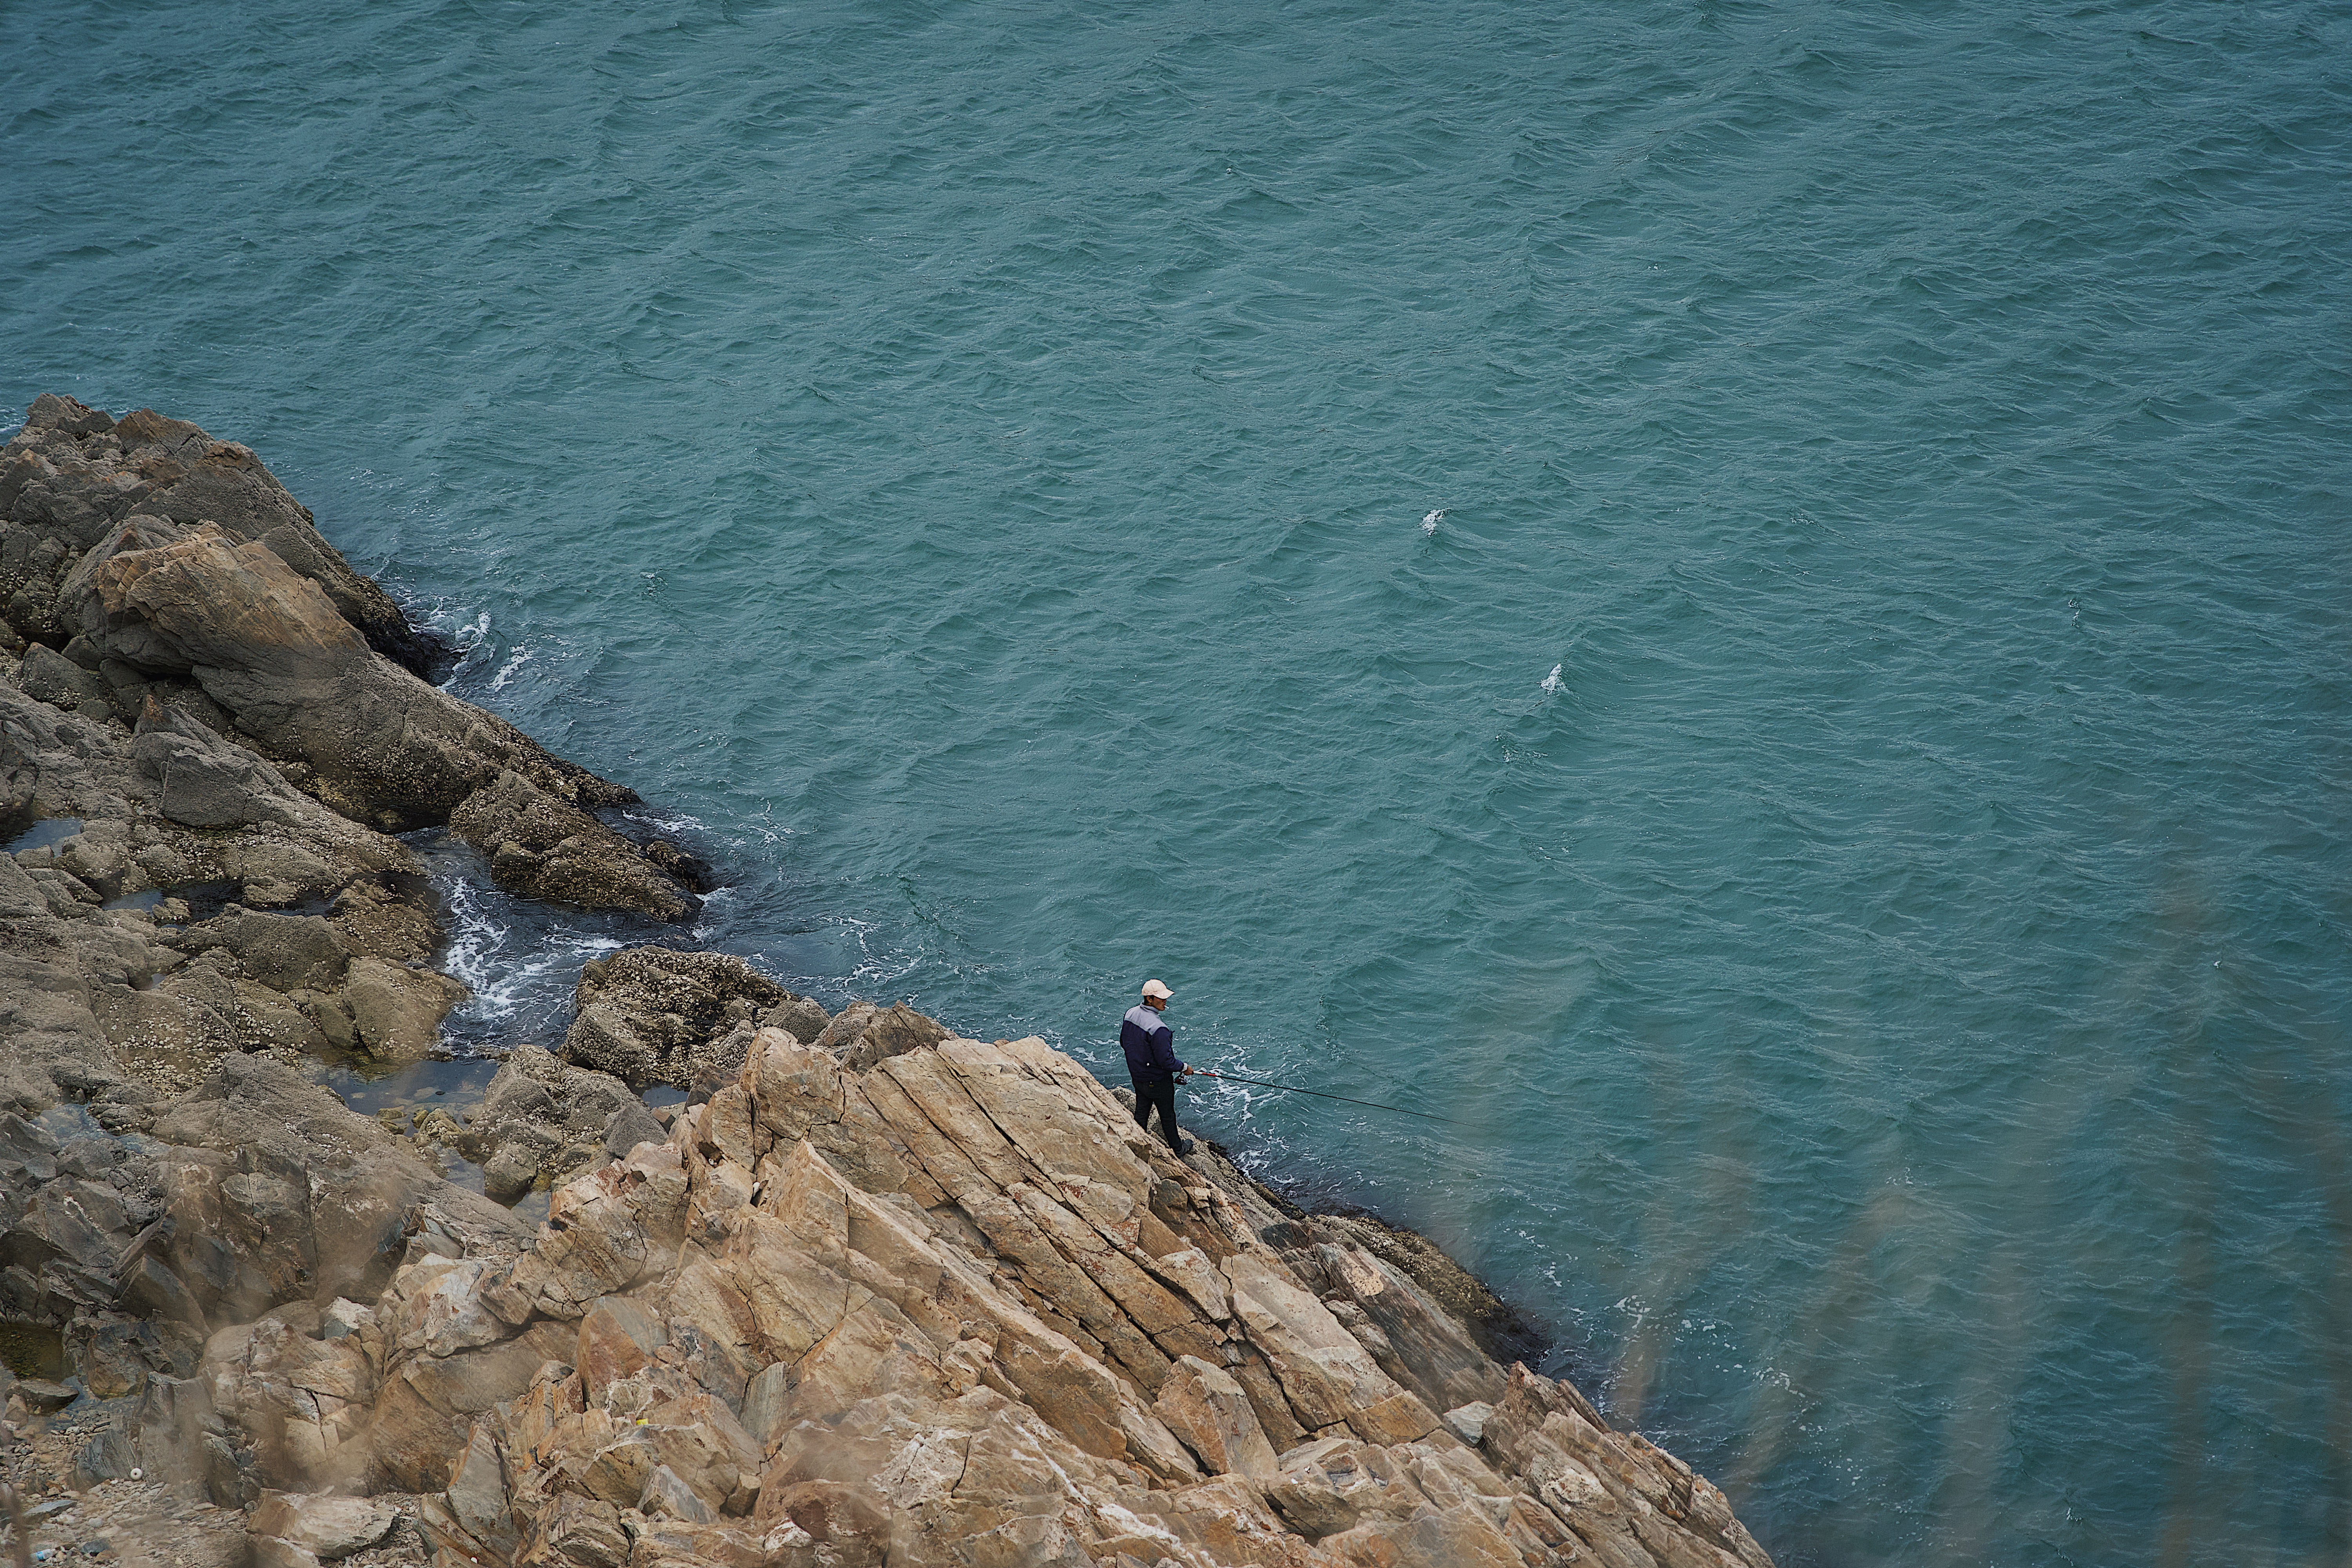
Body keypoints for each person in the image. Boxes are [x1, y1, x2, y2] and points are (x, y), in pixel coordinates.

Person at [1120, 978, 1192, 1156]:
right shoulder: (1160, 1029)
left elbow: (1124, 1042)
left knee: (1142, 1112)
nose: (1165, 1001)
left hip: (1138, 1076)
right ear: (1149, 999)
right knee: (1167, 1116)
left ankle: (1137, 1143)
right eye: (1160, 998)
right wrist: (1185, 1068)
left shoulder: (1130, 1014)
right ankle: (1178, 1148)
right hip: (1158, 1082)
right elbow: (1167, 1062)